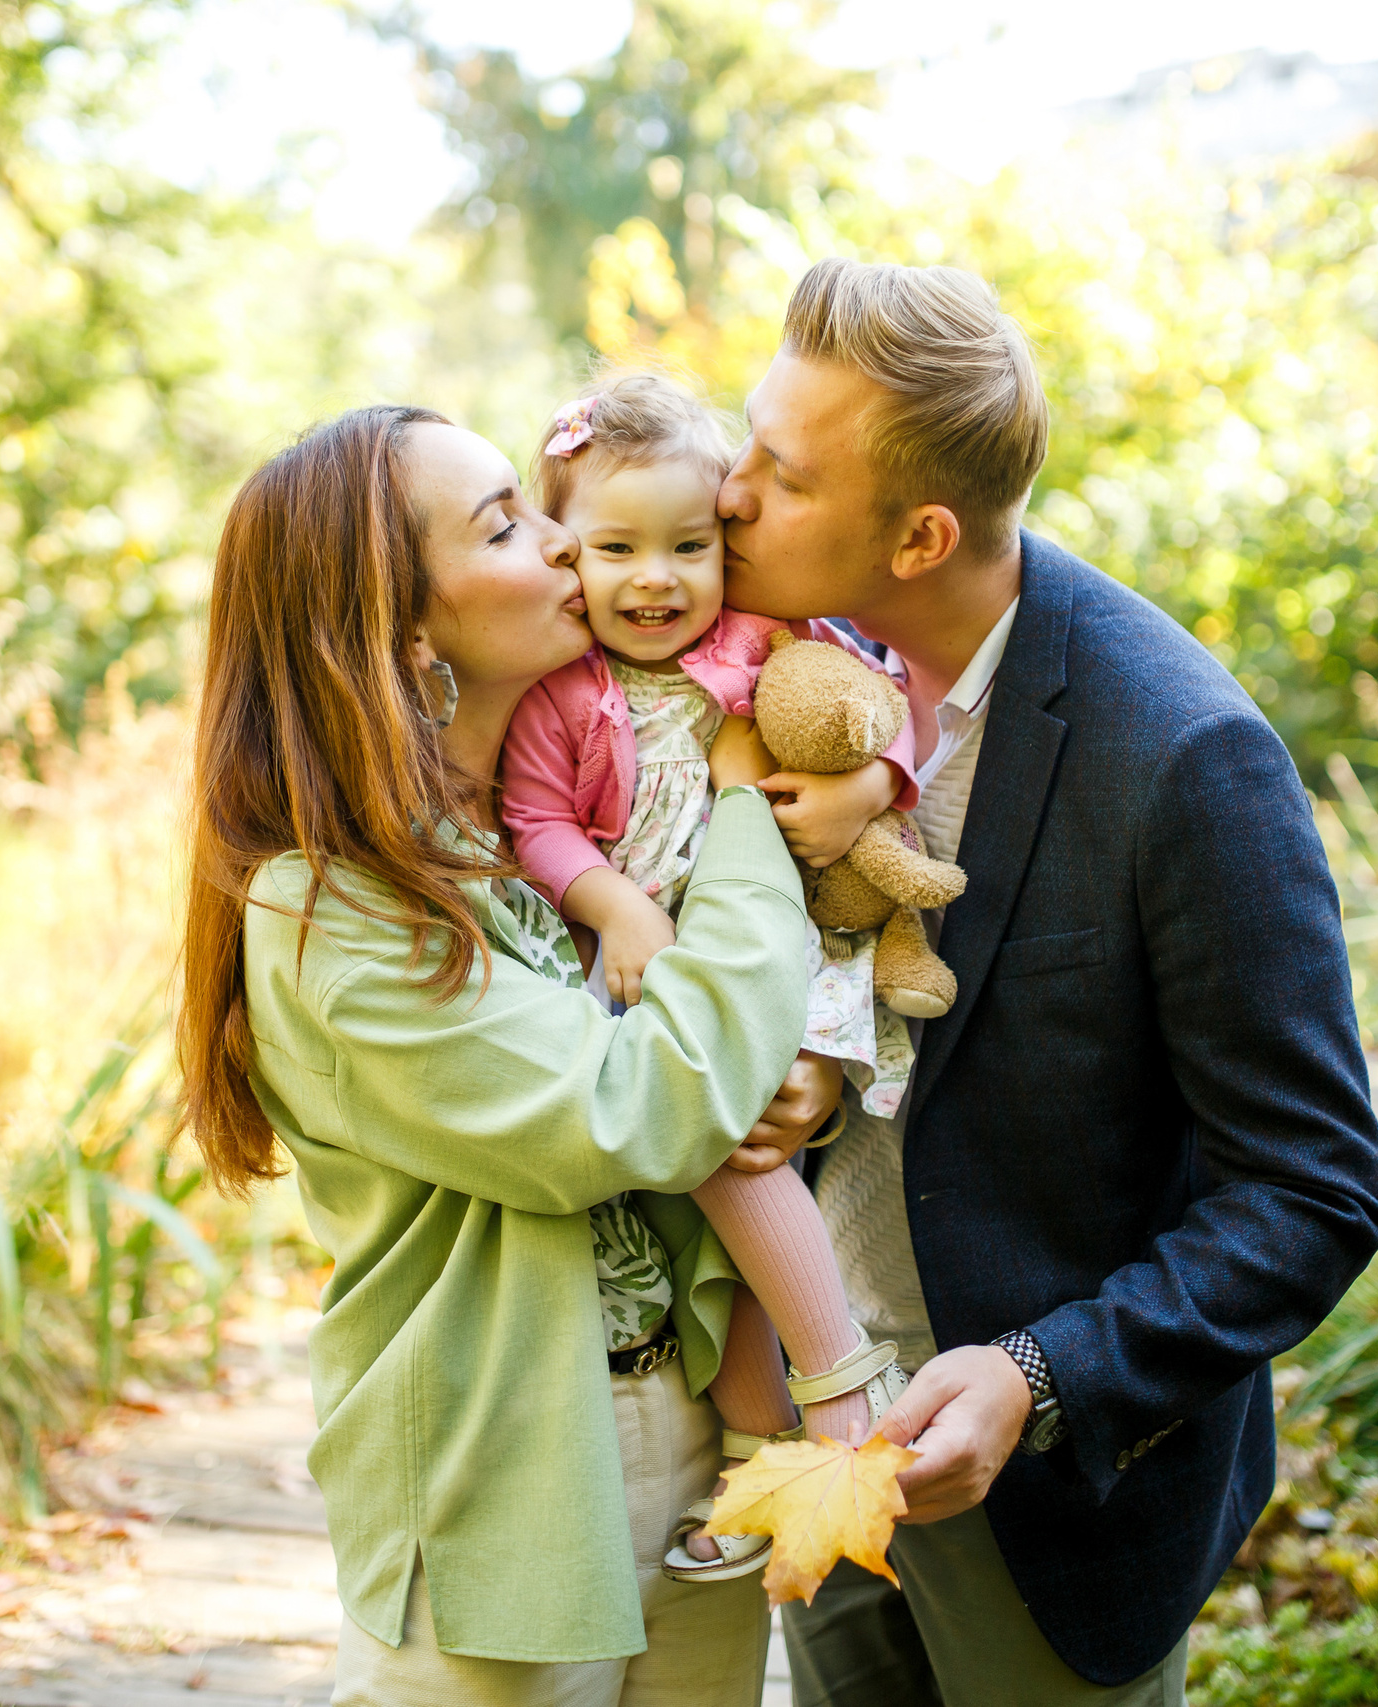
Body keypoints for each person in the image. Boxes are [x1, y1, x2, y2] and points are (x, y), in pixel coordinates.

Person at [720, 260, 1378, 1704]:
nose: (729, 494)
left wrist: (1037, 1375)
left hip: (1053, 1503)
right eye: (744, 444)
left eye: (782, 475)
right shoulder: (778, 667)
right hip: (819, 1429)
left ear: (921, 536)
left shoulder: (1185, 754)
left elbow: (1313, 1188)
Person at [177, 404, 836, 1706]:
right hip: (501, 1469)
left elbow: (716, 1045)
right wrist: (748, 803)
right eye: (503, 526)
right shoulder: (331, 905)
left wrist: (793, 1071)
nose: (562, 543)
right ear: (407, 633)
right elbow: (638, 1108)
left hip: (695, 1427)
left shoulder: (562, 817)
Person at [499, 371, 919, 1584]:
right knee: (703, 1210)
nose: (656, 579)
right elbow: (536, 824)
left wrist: (870, 783)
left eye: (689, 546)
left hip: (773, 955)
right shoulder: (558, 689)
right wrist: (615, 904)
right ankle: (757, 1454)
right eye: (615, 548)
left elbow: (880, 706)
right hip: (646, 961)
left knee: (732, 1154)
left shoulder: (759, 644)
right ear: (562, 549)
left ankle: (840, 1398)